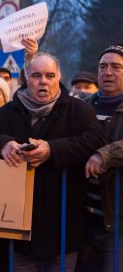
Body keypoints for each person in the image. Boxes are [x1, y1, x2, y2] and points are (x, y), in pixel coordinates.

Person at [0, 52, 107, 271]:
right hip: (19, 225)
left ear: (58, 77)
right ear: (25, 78)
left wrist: (52, 150)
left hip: (63, 223)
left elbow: (96, 140)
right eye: (36, 75)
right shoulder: (6, 112)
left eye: (50, 75)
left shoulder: (79, 110)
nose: (43, 81)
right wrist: (4, 144)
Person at [77, 43, 123, 272]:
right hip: (82, 218)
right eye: (103, 66)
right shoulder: (83, 107)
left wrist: (104, 154)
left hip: (116, 223)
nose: (108, 72)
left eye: (116, 67)